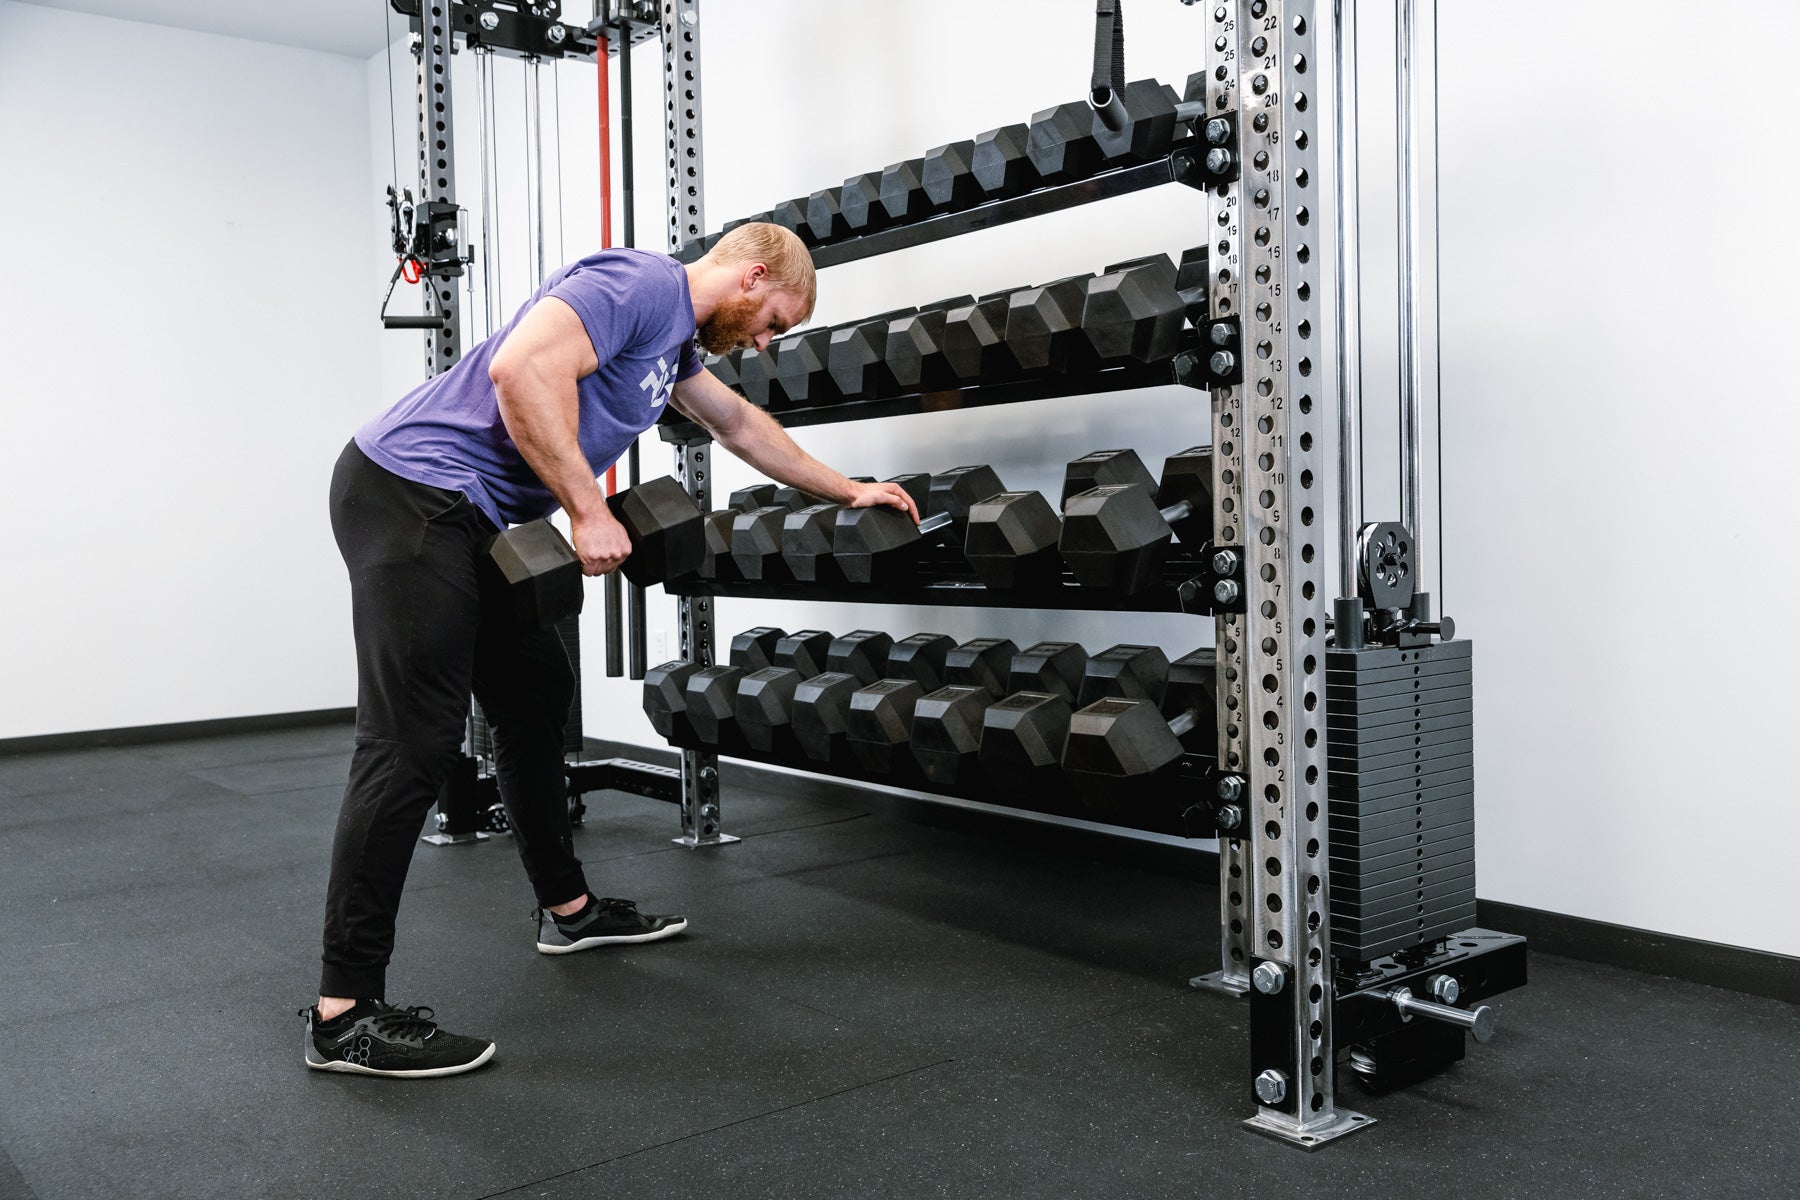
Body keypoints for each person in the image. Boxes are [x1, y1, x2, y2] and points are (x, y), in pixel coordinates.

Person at [302, 223, 920, 1078]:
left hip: (470, 514)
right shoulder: (639, 287)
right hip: (409, 493)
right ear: (750, 278)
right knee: (411, 742)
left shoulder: (674, 348)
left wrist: (848, 487)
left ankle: (569, 908)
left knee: (533, 698)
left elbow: (739, 424)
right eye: (773, 320)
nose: (768, 342)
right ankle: (344, 1013)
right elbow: (519, 370)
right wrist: (588, 510)